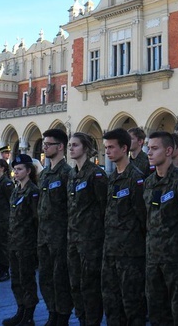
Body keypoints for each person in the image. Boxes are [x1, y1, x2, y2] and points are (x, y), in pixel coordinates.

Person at [143, 131, 178, 326]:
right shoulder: (149, 183)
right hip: (154, 260)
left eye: (154, 148)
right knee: (157, 313)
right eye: (148, 148)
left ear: (168, 151)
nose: (149, 153)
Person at [101, 128, 147, 326]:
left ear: (124, 148)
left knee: (132, 304)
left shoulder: (136, 179)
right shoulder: (112, 178)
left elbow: (142, 217)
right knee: (112, 302)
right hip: (111, 251)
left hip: (130, 254)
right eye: (106, 148)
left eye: (111, 147)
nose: (107, 152)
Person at [67, 131, 108, 326]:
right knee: (75, 283)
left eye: (75, 145)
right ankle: (82, 318)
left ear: (85, 148)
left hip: (91, 240)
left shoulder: (96, 174)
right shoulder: (72, 174)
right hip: (74, 238)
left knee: (90, 284)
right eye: (69, 145)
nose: (71, 148)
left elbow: (103, 207)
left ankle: (92, 321)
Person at [37, 128, 74, 326]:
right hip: (44, 235)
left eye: (48, 144)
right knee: (45, 277)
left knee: (60, 279)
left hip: (60, 236)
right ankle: (52, 311)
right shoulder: (44, 174)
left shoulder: (67, 173)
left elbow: (71, 208)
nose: (44, 147)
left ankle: (62, 315)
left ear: (60, 147)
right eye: (43, 144)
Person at [2, 154, 41, 326]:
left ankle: (29, 315)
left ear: (28, 170)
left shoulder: (33, 192)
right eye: (14, 170)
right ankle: (20, 310)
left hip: (27, 243)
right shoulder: (16, 190)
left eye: (19, 169)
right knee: (16, 279)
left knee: (27, 279)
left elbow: (36, 219)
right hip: (13, 242)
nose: (15, 173)